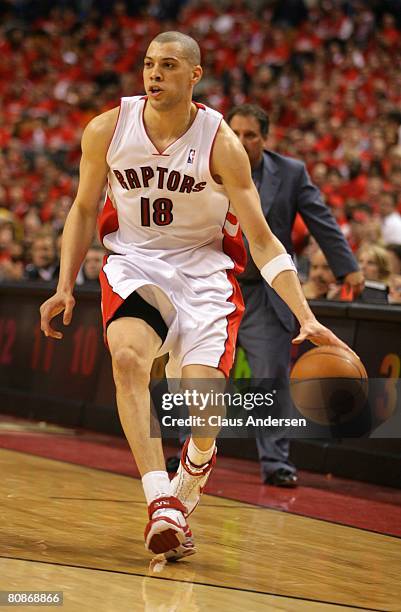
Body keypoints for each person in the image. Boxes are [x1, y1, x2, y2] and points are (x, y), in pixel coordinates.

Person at [40, 32, 353, 559]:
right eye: (147, 64)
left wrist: (305, 314)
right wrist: (64, 284)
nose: (154, 74)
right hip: (136, 263)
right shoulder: (108, 129)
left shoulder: (222, 143)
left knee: (202, 409)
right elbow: (83, 207)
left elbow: (261, 238)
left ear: (194, 75)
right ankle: (160, 499)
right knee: (128, 358)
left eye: (167, 65)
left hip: (206, 272)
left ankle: (197, 465)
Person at [226, 104, 364, 487]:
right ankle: (189, 455)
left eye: (250, 134)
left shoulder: (290, 172)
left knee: (271, 380)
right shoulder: (210, 167)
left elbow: (321, 219)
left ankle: (275, 463)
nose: (241, 141)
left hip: (267, 294)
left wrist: (347, 266)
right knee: (202, 372)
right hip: (218, 289)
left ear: (265, 138)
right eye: (234, 132)